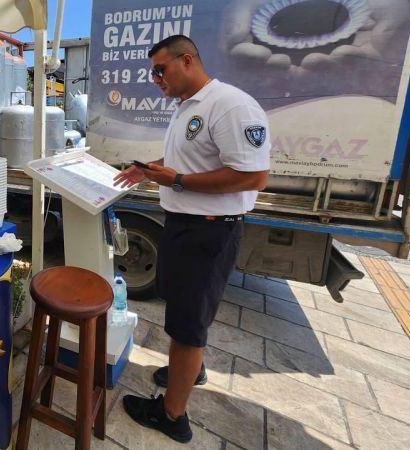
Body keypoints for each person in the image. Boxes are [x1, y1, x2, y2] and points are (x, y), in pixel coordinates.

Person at [113, 35, 271, 444]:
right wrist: (152, 169)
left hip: (209, 229)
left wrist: (179, 180)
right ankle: (190, 369)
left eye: (161, 70)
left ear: (188, 60)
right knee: (186, 312)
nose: (155, 79)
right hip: (187, 225)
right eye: (153, 72)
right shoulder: (189, 107)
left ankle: (171, 414)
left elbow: (253, 175)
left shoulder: (231, 105)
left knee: (187, 327)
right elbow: (192, 157)